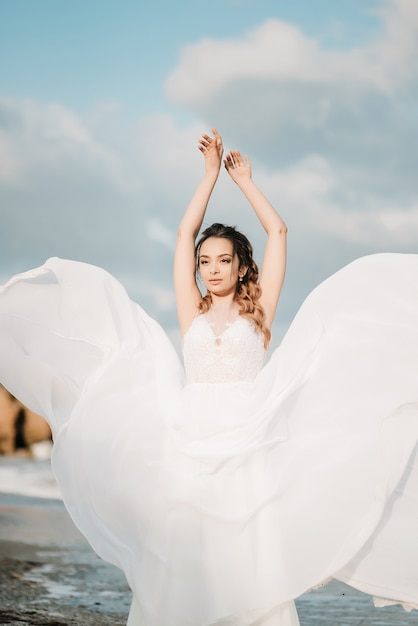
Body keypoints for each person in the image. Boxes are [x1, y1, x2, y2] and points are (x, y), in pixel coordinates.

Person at [0, 129, 418, 626]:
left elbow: (279, 232)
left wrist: (244, 182)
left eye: (223, 260)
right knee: (185, 545)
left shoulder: (259, 312)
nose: (211, 268)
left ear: (242, 268)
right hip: (190, 436)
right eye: (205, 262)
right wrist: (207, 177)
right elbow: (182, 235)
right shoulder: (190, 311)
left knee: (247, 547)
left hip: (249, 436)